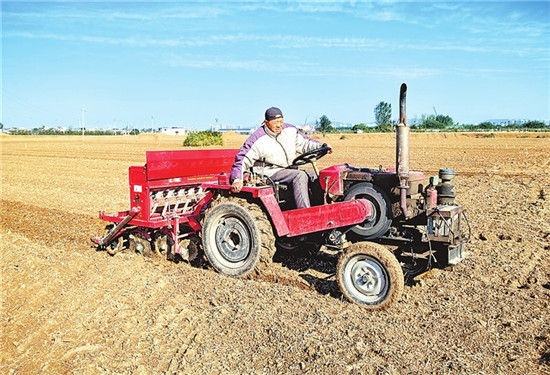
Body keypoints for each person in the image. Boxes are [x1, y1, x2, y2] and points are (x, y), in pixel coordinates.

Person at [230, 107, 331, 209]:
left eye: (281, 122)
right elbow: (243, 158)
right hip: (270, 172)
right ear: (266, 122)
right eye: (275, 122)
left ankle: (320, 208)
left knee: (314, 175)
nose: (279, 125)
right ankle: (304, 213)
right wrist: (237, 179)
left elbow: (305, 142)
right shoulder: (257, 139)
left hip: (289, 169)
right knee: (299, 175)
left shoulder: (290, 130)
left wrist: (322, 146)